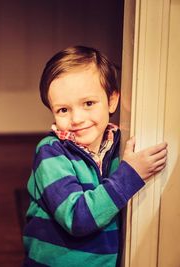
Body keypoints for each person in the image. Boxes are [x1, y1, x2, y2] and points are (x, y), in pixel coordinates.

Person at [22, 46, 167, 266]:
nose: (77, 118)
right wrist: (130, 175)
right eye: (63, 110)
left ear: (111, 101)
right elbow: (77, 218)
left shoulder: (117, 146)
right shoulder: (50, 154)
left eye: (88, 103)